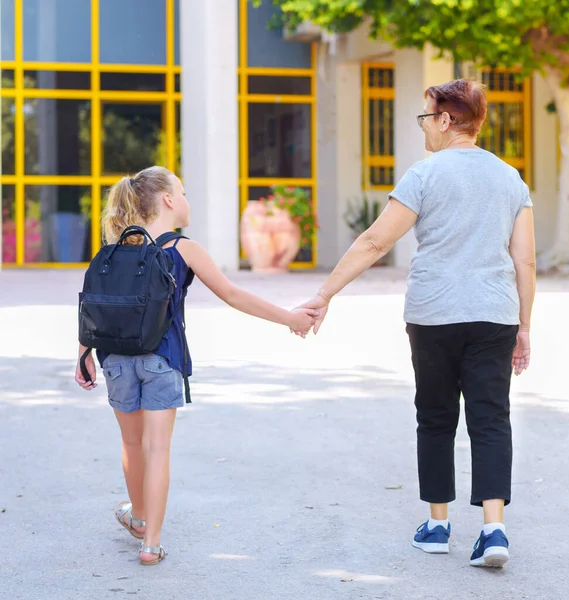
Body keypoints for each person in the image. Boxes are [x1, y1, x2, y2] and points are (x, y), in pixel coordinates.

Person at [299, 79, 536, 568]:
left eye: (426, 117)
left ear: (447, 120)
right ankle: (494, 532)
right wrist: (524, 327)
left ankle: (437, 525)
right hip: (494, 314)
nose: (424, 127)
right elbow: (525, 260)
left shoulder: (424, 175)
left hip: (435, 314)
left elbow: (374, 242)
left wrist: (324, 294)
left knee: (435, 416)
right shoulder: (511, 179)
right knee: (491, 418)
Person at [74, 166, 317, 565]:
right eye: (182, 192)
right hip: (161, 359)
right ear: (169, 200)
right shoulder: (181, 248)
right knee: (157, 448)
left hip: (116, 361)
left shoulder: (114, 248)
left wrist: (82, 355)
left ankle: (137, 516)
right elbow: (233, 295)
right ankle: (150, 543)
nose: (187, 200)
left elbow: (92, 302)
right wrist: (290, 318)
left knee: (132, 445)